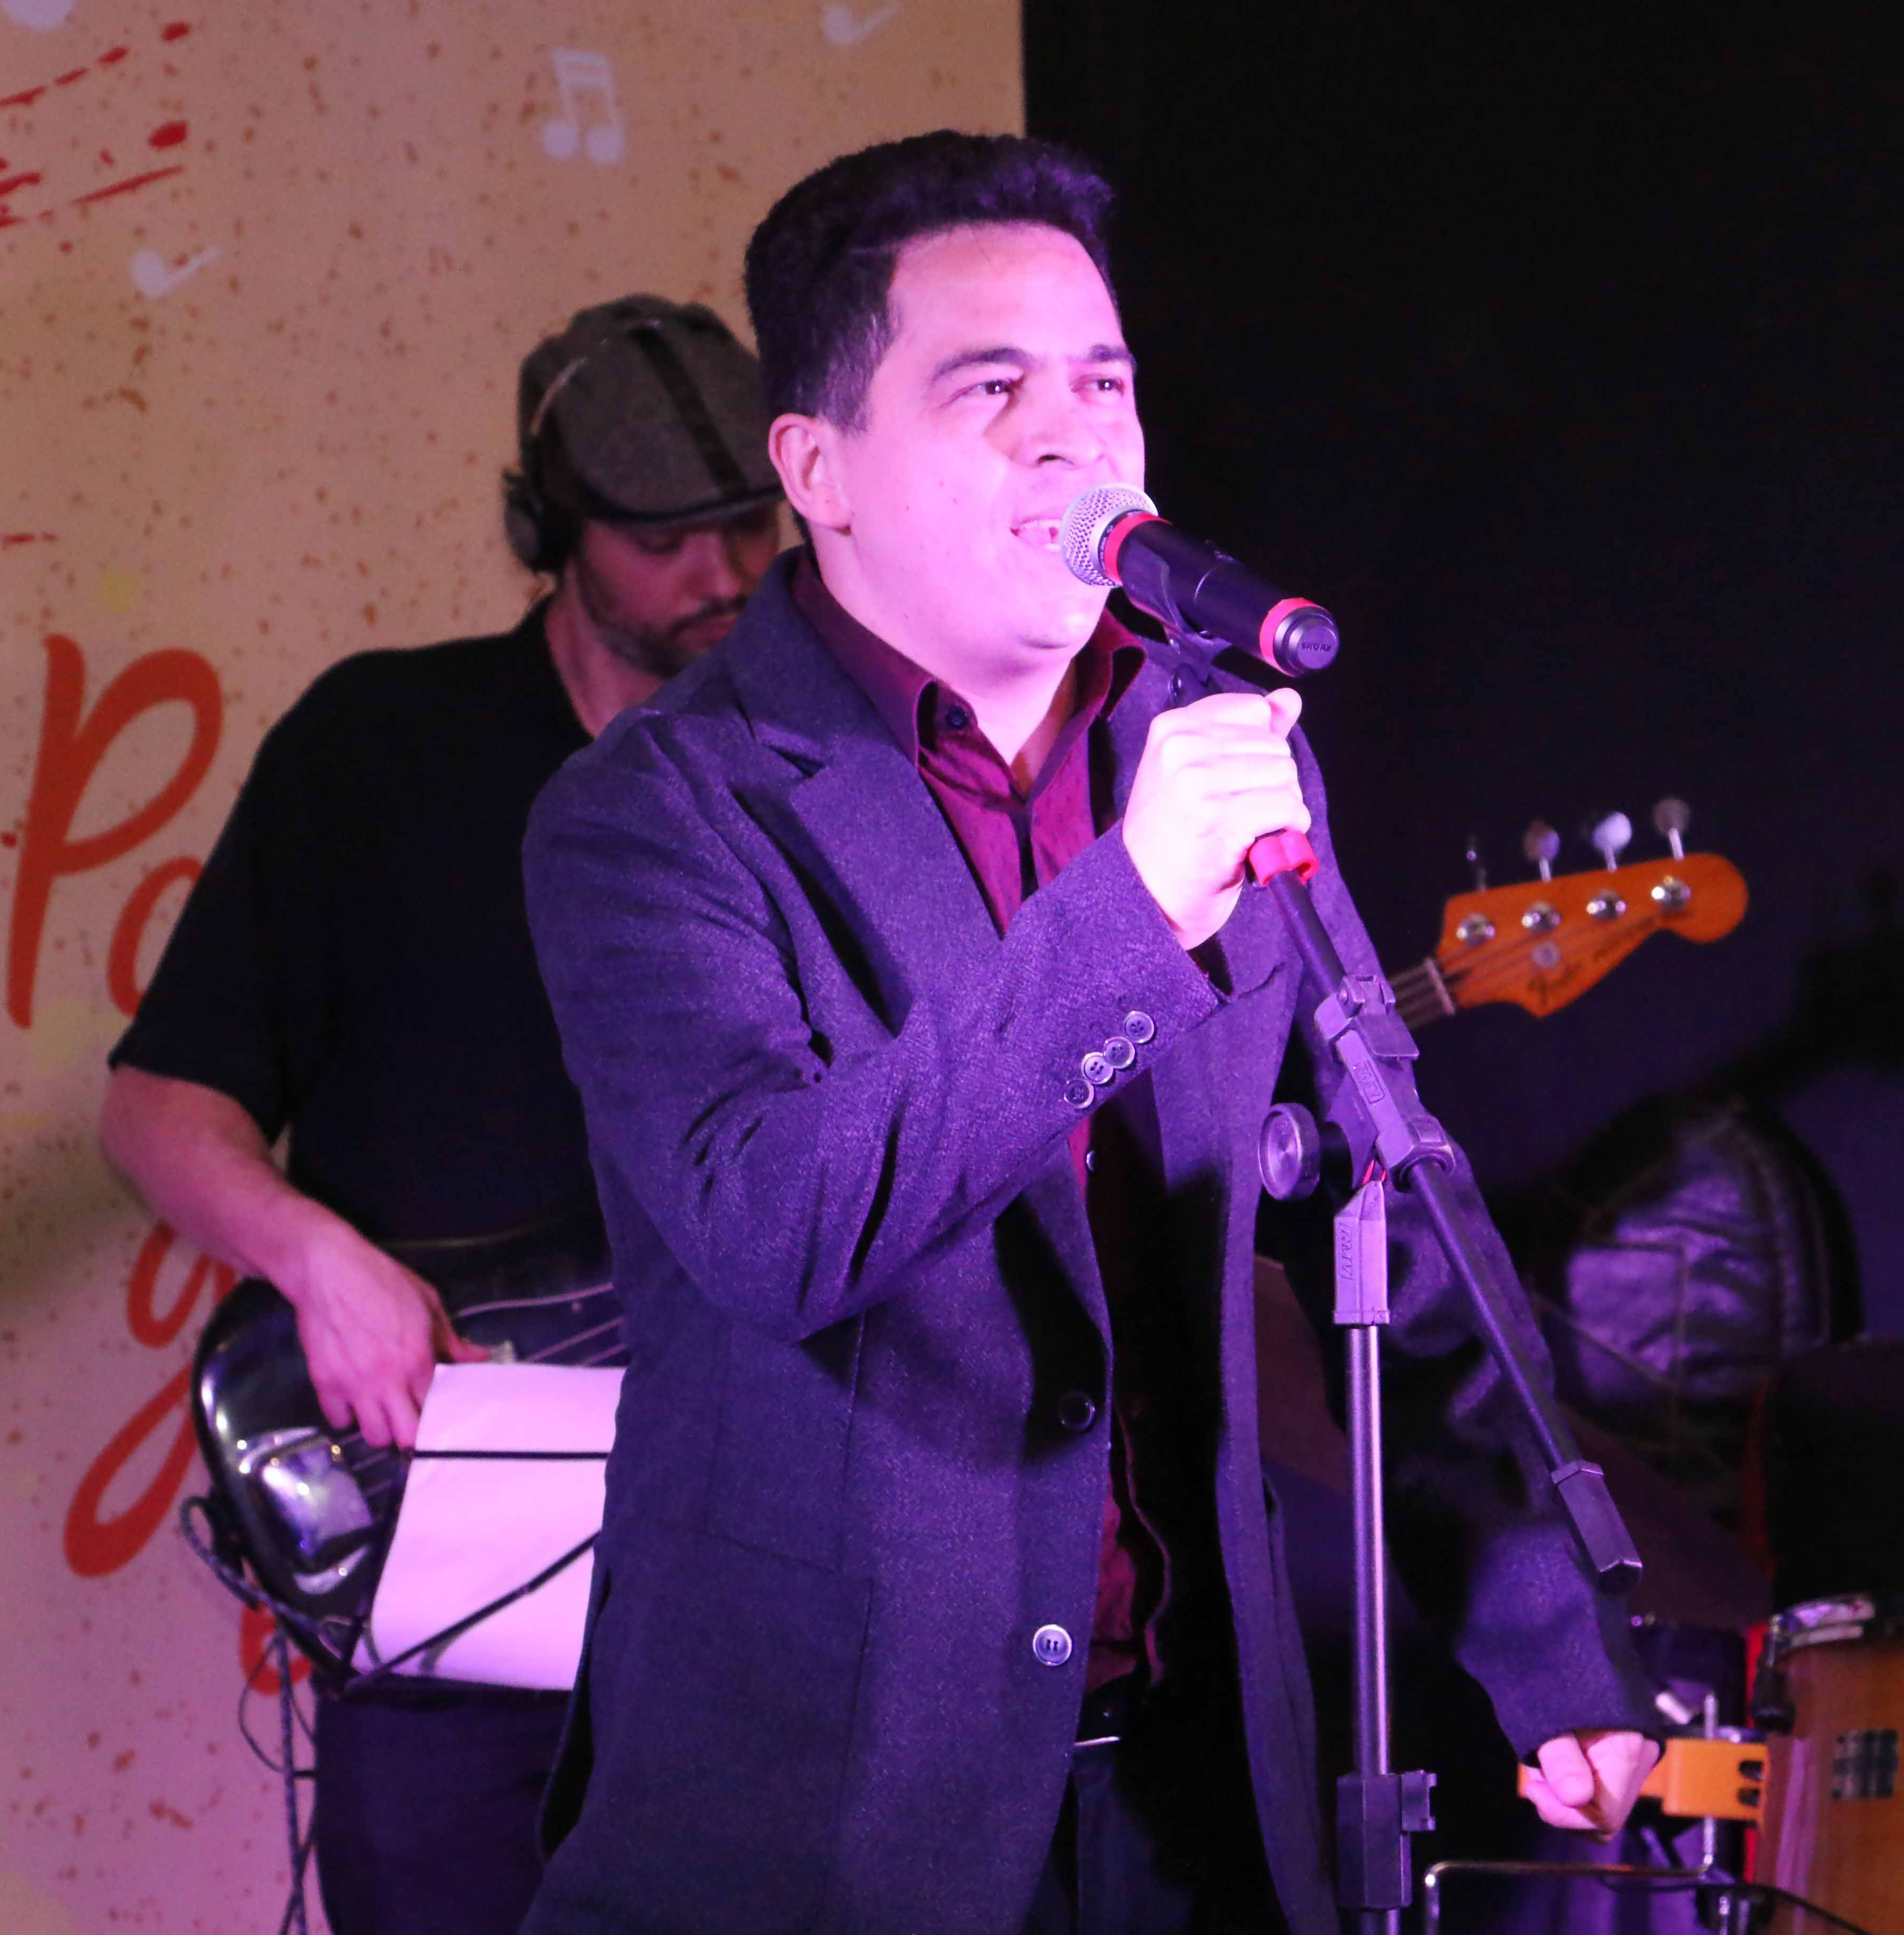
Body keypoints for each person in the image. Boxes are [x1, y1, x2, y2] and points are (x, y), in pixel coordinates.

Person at [517, 134, 1658, 1935]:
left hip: (1195, 1806)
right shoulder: (658, 809)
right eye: (992, 390)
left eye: (1104, 385)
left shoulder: (1200, 751)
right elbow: (775, 1220)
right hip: (822, 1828)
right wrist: (1130, 908)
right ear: (817, 469)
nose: (1074, 441)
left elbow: (1370, 1216)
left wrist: (1547, 1643)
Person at [98, 295, 784, 1935]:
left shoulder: (813, 763)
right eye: (663, 541)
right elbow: (154, 1111)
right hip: (450, 1567)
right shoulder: (375, 749)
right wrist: (319, 1263)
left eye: (749, 526)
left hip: (750, 1564)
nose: (723, 575)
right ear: (550, 534)